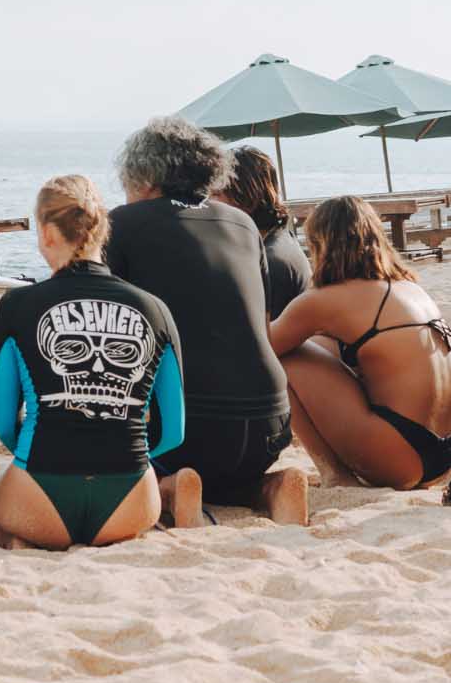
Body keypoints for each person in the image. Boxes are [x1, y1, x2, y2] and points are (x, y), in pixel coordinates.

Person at [107, 117, 307, 525]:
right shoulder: (244, 224)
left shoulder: (122, 224)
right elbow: (262, 322)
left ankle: (168, 487)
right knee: (229, 477)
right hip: (268, 427)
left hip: (184, 432)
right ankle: (266, 486)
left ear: (144, 178)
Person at [0, 175, 192, 547]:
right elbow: (173, 431)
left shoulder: (18, 304)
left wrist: (42, 455)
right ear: (103, 230)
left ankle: (29, 540)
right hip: (129, 497)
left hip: (38, 491)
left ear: (47, 232)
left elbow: (3, 423)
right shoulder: (154, 308)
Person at [270, 196, 451, 489]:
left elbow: (262, 347)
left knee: (288, 357)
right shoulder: (410, 288)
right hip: (442, 460)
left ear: (321, 244)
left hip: (399, 459)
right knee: (321, 343)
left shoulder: (324, 300)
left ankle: (334, 474)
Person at [213, 145, 312, 318]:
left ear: (245, 196)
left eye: (216, 194)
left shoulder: (272, 263)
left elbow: (262, 330)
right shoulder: (279, 239)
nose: (208, 202)